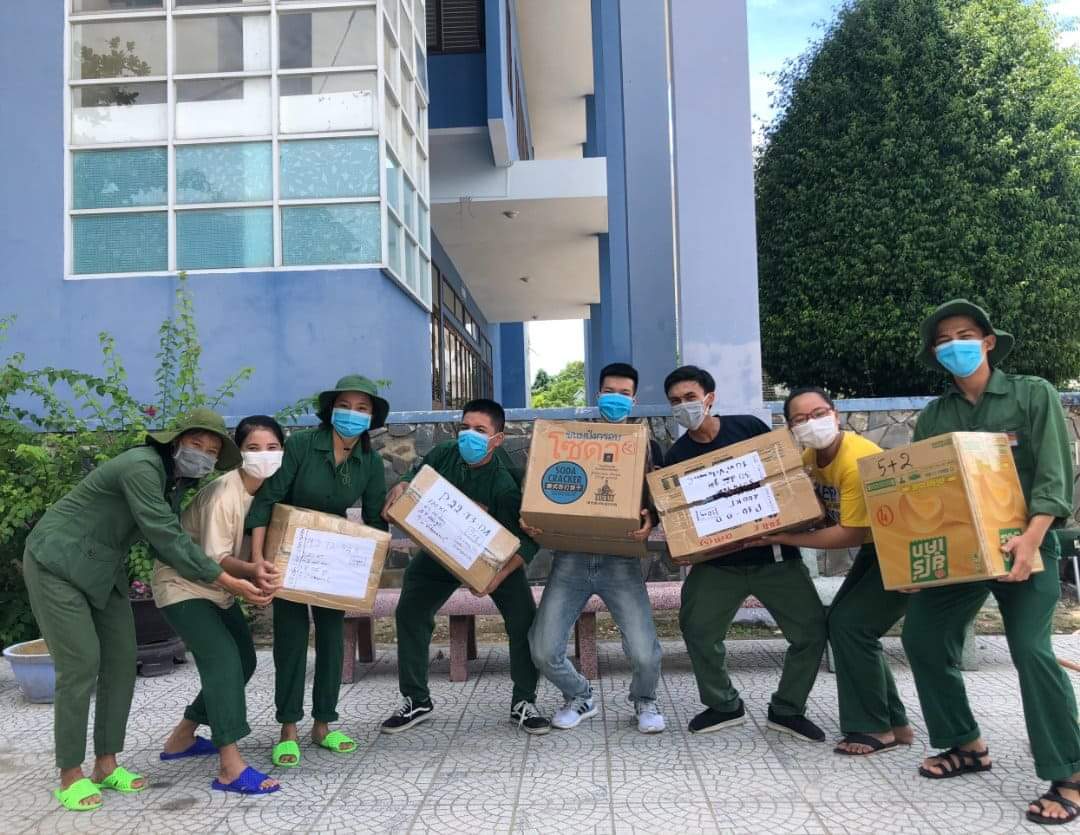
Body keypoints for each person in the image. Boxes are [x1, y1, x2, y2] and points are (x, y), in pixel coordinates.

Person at [22, 408, 273, 812]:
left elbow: (167, 542)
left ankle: (106, 765)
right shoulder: (141, 467)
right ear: (175, 442)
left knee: (121, 662)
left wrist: (233, 574)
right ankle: (70, 774)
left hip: (103, 569)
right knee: (81, 663)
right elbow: (165, 535)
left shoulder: (174, 482)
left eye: (212, 451)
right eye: (196, 444)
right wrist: (226, 580)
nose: (203, 454)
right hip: (56, 562)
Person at [899, 299, 1080, 825]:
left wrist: (1032, 538)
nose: (954, 345)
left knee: (1031, 649)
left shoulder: (1032, 393)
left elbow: (1054, 474)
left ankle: (1070, 771)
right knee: (923, 637)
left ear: (988, 342)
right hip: (961, 552)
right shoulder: (935, 416)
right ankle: (965, 744)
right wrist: (916, 564)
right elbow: (923, 493)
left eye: (964, 335)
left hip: (1028, 543)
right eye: (942, 340)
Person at [663, 366, 827, 741]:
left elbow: (782, 476)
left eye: (690, 398)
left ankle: (788, 709)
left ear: (709, 398)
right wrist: (681, 546)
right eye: (675, 401)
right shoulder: (677, 457)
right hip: (717, 564)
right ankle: (723, 704)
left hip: (774, 556)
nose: (684, 406)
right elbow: (679, 519)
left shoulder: (748, 428)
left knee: (811, 632)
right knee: (698, 629)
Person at [756, 387, 913, 756]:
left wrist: (785, 537)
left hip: (902, 547)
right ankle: (895, 723)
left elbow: (849, 534)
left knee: (851, 626)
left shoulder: (855, 460)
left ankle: (874, 728)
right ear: (790, 427)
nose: (811, 423)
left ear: (835, 414)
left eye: (818, 414)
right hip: (878, 546)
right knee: (846, 624)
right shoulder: (811, 456)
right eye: (799, 419)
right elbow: (812, 503)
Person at [379, 398, 550, 735]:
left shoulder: (506, 482)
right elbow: (417, 478)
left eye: (480, 430)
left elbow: (528, 541)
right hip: (441, 552)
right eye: (464, 427)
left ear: (497, 439)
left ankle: (524, 701)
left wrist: (496, 577)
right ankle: (416, 699)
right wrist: (402, 484)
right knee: (410, 610)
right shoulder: (445, 453)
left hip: (494, 561)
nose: (469, 435)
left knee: (522, 621)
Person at [247, 376, 389, 768]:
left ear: (372, 416)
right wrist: (258, 560)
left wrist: (370, 570)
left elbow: (375, 518)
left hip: (335, 559)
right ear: (331, 409)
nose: (352, 414)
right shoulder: (302, 445)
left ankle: (324, 724)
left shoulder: (370, 461)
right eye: (345, 405)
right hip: (290, 553)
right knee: (290, 640)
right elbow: (268, 499)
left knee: (332, 640)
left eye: (362, 408)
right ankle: (288, 728)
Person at [524, 362, 666, 734]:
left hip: (621, 559)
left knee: (644, 652)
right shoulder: (569, 439)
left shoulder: (648, 446)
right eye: (610, 392)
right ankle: (580, 696)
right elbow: (543, 489)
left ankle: (645, 700)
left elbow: (659, 500)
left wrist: (651, 517)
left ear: (634, 400)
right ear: (598, 394)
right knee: (542, 648)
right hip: (570, 558)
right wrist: (534, 517)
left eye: (624, 393)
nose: (616, 399)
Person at [155, 416, 289, 795]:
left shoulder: (271, 491)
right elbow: (216, 560)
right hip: (183, 585)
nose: (264, 455)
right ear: (239, 452)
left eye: (272, 447)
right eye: (253, 448)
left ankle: (181, 738)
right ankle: (230, 766)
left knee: (244, 660)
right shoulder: (223, 495)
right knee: (225, 662)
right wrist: (254, 573)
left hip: (218, 589)